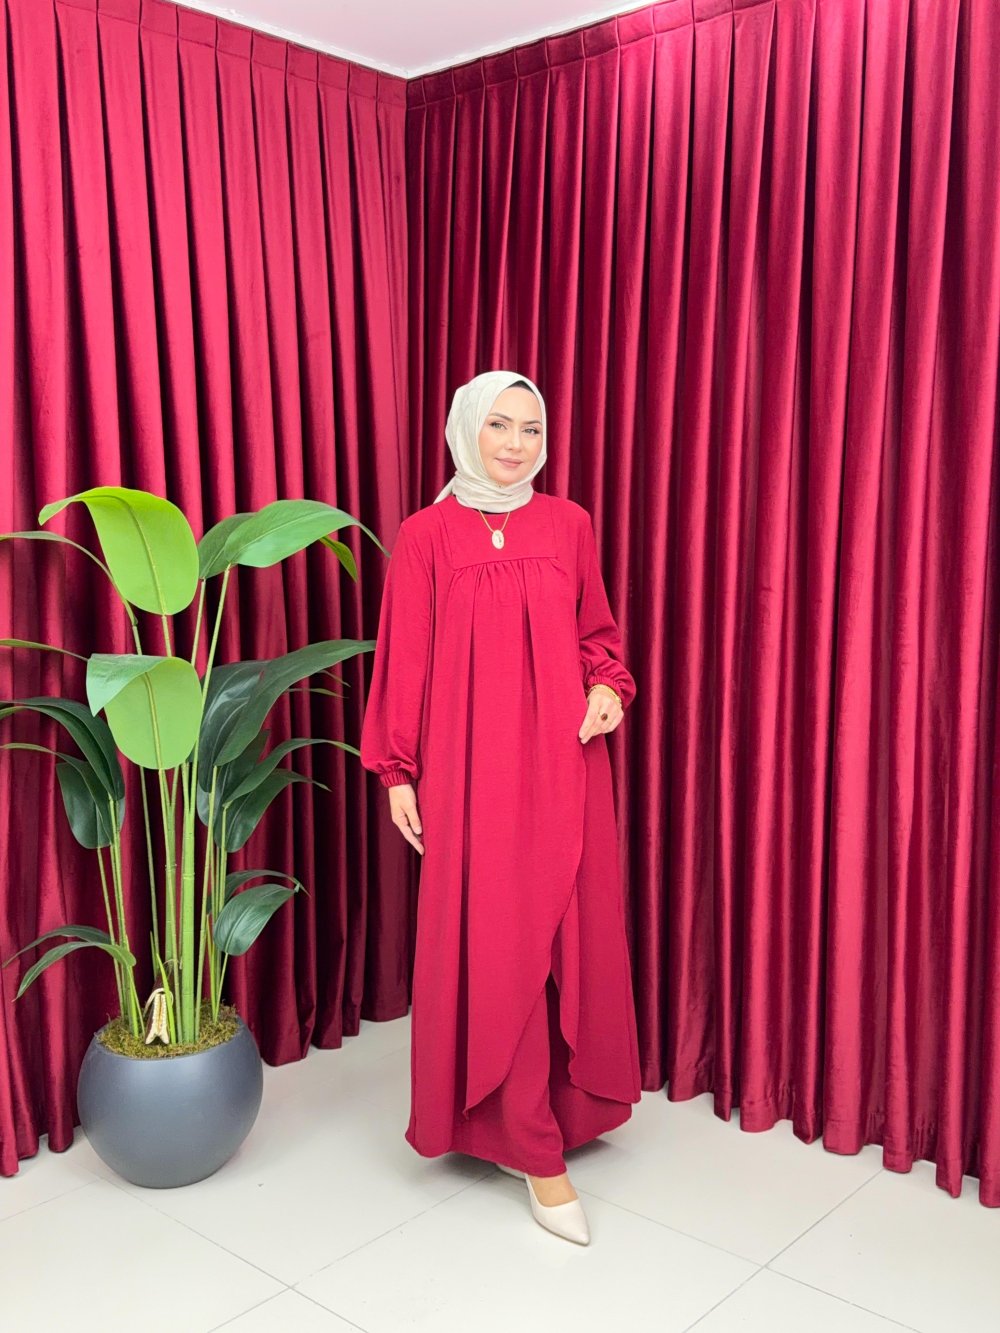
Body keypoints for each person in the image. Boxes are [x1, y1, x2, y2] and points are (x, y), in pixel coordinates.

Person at [359, 370, 641, 1245]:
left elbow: (597, 634)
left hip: (567, 762)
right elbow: (404, 658)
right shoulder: (426, 536)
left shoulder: (569, 523)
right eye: (499, 426)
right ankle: (530, 1145)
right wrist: (398, 771)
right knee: (499, 940)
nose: (516, 444)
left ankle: (564, 1108)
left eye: (531, 428)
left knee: (566, 935)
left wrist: (608, 687)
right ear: (466, 430)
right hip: (471, 773)